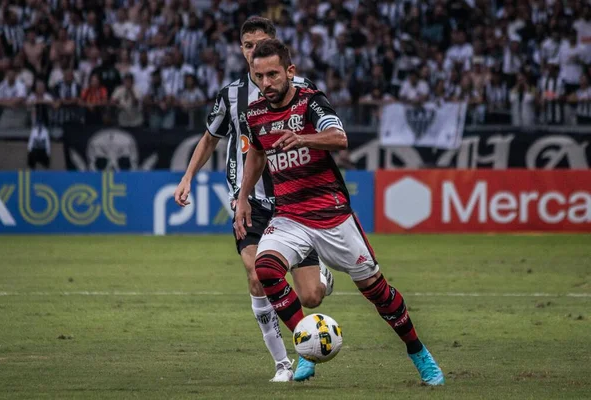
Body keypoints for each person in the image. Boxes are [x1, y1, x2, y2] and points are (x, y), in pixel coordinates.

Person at [234, 39, 444, 386]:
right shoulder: (254, 114)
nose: (266, 83)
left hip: (332, 216)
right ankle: (306, 348)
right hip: (289, 216)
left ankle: (418, 351)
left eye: (273, 74)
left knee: (378, 292)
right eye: (259, 76)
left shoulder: (310, 102)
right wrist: (243, 198)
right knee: (266, 271)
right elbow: (257, 153)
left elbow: (339, 137)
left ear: (290, 72)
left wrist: (303, 139)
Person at [173, 17, 333, 383]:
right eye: (247, 45)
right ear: (241, 49)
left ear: (275, 45)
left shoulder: (303, 88)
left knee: (311, 298)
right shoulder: (231, 94)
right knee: (256, 275)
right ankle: (283, 363)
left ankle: (321, 277)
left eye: (260, 43)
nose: (252, 50)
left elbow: (321, 135)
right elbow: (210, 138)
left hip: (295, 201)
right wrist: (187, 178)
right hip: (252, 202)